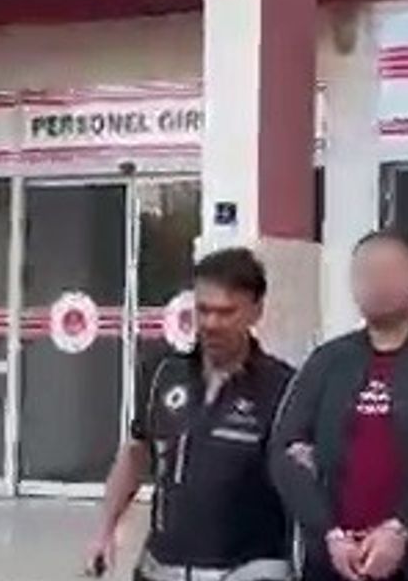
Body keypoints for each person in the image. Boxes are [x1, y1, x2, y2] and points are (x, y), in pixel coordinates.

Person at [270, 229, 408, 581]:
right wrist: (328, 533)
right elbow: (285, 451)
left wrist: (402, 526)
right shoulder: (328, 362)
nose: (377, 282)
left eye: (390, 271)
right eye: (365, 273)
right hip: (335, 562)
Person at [83, 247, 294, 581]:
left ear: (256, 311)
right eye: (203, 310)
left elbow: (302, 484)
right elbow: (136, 454)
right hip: (161, 568)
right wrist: (105, 531)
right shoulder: (163, 373)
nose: (211, 324)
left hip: (246, 569)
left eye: (226, 312)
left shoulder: (284, 388)